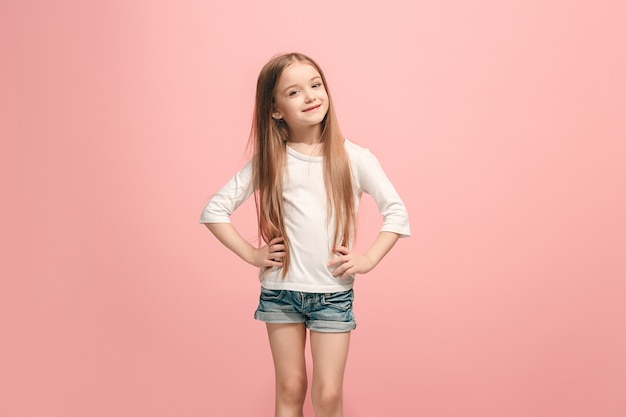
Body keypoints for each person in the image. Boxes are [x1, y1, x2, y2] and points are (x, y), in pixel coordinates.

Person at [200, 52, 410, 417]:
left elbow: (396, 211)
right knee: (291, 386)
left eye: (315, 85)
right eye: (294, 92)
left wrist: (368, 259)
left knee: (327, 395)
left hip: (332, 295)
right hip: (281, 292)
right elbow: (214, 210)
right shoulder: (271, 160)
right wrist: (253, 255)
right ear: (275, 109)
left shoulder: (354, 157)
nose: (311, 96)